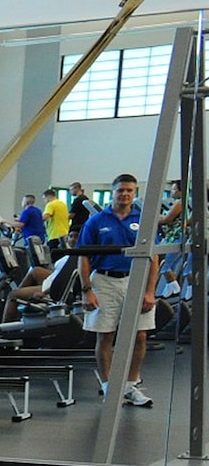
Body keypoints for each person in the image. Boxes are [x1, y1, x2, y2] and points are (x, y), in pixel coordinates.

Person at [78, 173, 157, 408]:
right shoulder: (96, 221)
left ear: (135, 194)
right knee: (105, 335)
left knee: (140, 335)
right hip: (104, 280)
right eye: (121, 190)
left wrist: (150, 291)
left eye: (129, 190)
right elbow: (82, 257)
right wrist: (86, 291)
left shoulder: (143, 220)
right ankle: (109, 387)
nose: (125, 194)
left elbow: (154, 256)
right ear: (113, 192)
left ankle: (130, 386)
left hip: (135, 281)